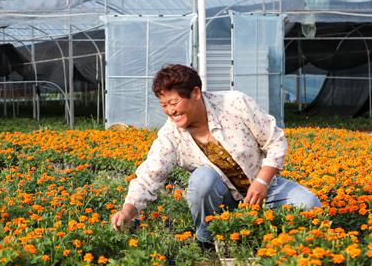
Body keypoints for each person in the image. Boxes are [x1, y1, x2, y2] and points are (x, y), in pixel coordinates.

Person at [110, 64, 321, 245]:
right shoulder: (170, 135)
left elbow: (275, 141)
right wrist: (129, 210)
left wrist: (262, 182)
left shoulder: (234, 104)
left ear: (195, 93)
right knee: (202, 178)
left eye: (174, 103)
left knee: (310, 206)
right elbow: (149, 175)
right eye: (164, 105)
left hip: (267, 188)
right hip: (222, 202)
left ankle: (277, 237)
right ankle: (207, 240)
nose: (170, 111)